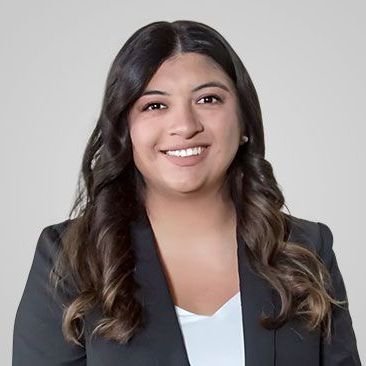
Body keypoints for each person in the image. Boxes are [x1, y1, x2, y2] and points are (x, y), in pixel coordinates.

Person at [12, 20, 361, 366]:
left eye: (208, 99)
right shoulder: (68, 258)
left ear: (243, 121)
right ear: (124, 129)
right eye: (154, 105)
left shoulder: (305, 249)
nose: (185, 126)